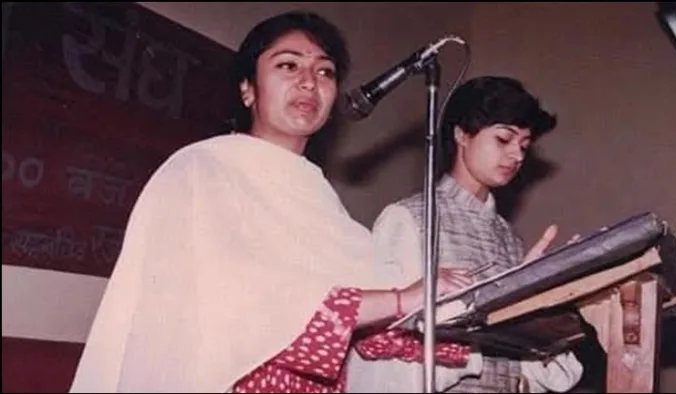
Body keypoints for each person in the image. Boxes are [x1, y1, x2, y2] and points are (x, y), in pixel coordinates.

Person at [68, 11, 474, 393]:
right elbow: (251, 309)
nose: (309, 82)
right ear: (247, 89)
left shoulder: (318, 196)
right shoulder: (201, 170)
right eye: (288, 65)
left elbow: (374, 329)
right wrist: (403, 298)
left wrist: (489, 309)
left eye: (325, 71)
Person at [346, 76, 584, 393]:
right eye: (503, 139)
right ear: (462, 134)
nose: (517, 156)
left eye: (524, 145)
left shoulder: (509, 239)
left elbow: (522, 358)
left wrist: (547, 297)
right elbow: (382, 344)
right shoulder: (410, 218)